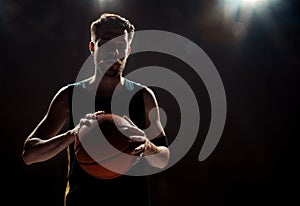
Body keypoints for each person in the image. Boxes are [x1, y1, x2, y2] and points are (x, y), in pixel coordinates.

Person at [22, 13, 170, 206]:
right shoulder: (70, 96)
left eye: (120, 46)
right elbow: (29, 154)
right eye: (106, 44)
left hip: (133, 200)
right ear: (93, 47)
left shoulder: (143, 96)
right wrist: (72, 135)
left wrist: (149, 148)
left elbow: (164, 158)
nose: (113, 52)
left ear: (128, 50)